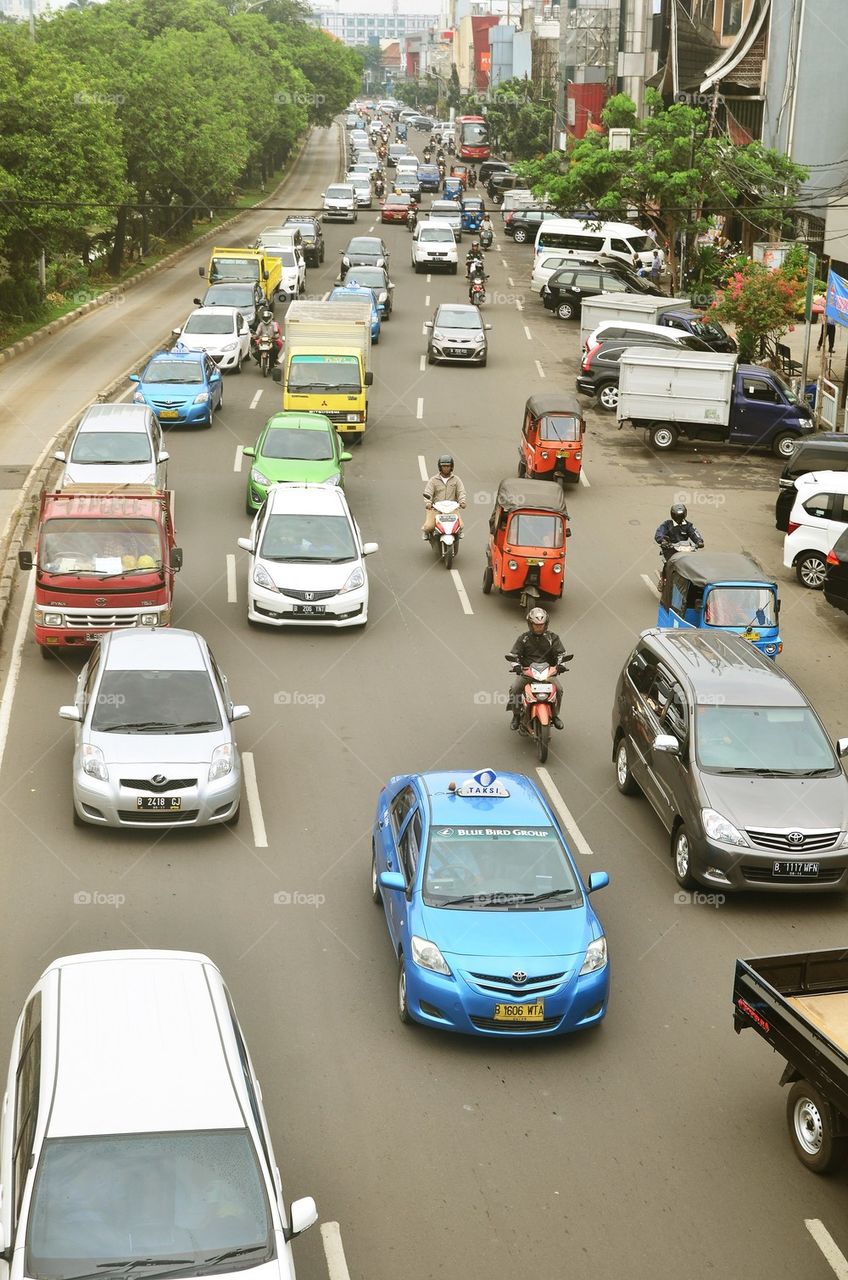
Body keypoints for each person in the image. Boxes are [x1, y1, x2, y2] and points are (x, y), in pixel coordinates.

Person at [508, 608, 568, 730]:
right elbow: (514, 655)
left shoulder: (553, 638)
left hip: (548, 673)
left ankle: (555, 715)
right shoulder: (523, 638)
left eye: (541, 625)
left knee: (559, 690)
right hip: (527, 672)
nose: (539, 627)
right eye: (536, 625)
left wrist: (561, 666)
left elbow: (561, 654)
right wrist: (517, 667)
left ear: (546, 624)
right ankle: (516, 716)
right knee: (515, 690)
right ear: (530, 624)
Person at [421, 455, 466, 540]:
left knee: (461, 525)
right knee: (428, 526)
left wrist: (462, 502)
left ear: (451, 467)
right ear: (440, 467)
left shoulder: (456, 480)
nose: (446, 468)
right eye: (444, 466)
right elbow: (428, 492)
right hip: (436, 508)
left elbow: (461, 492)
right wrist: (428, 503)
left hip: (451, 508)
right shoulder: (433, 480)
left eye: (448, 466)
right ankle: (426, 533)